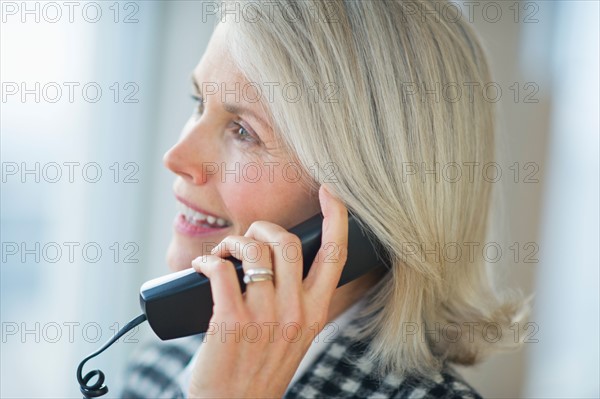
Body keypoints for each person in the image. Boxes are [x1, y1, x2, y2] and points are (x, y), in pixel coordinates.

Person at [121, 0, 528, 397]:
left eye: (243, 131)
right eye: (199, 103)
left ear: (365, 204)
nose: (177, 158)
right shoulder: (163, 363)